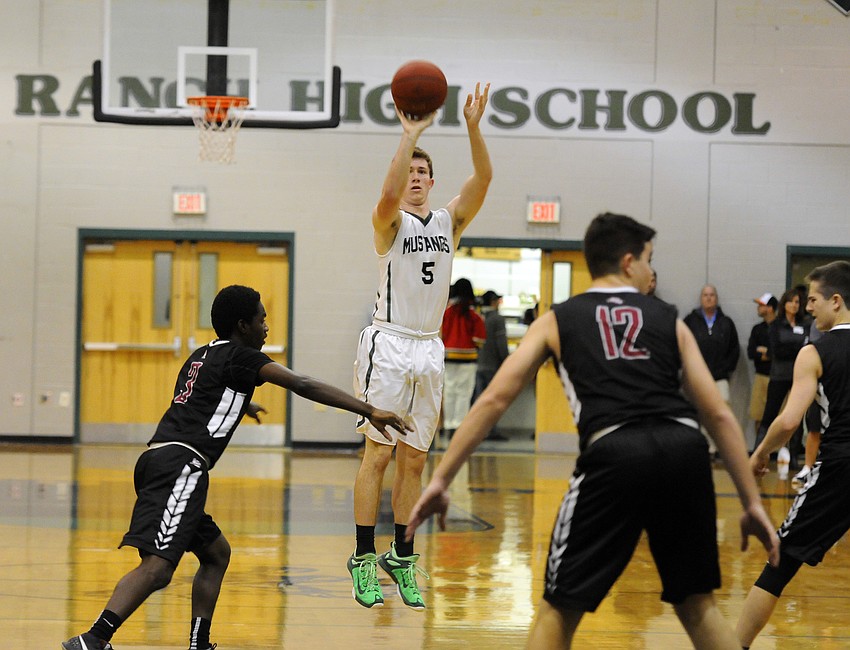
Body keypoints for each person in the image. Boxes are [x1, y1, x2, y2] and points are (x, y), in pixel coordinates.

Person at [407, 212, 779, 649]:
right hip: (684, 447)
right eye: (648, 260)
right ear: (627, 263)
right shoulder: (669, 318)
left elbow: (493, 399)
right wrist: (751, 501)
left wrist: (441, 478)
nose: (650, 271)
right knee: (699, 606)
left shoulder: (558, 318)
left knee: (558, 608)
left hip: (615, 451)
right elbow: (716, 412)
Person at [62, 285, 408, 650]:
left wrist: (245, 406)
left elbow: (201, 398)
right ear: (243, 326)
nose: (267, 327)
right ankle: (93, 639)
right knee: (159, 567)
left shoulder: (200, 355)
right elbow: (302, 384)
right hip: (181, 466)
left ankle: (199, 643)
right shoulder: (242, 357)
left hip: (159, 460)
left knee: (216, 554)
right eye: (262, 319)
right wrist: (369, 410)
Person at [349, 82, 492, 610]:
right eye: (408, 170)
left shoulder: (448, 222)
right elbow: (386, 197)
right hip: (388, 344)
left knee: (415, 462)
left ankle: (401, 556)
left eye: (421, 172)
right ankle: (364, 557)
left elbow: (484, 179)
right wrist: (408, 136)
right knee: (378, 454)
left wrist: (474, 128)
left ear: (432, 181)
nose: (414, 178)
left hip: (428, 350)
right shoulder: (389, 223)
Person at [737, 261, 850, 649]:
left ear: (836, 301)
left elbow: (788, 421)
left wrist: (761, 453)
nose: (808, 308)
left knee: (779, 560)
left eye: (814, 300)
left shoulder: (815, 352)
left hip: (841, 467)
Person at [753, 288, 810, 467]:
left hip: (799, 377)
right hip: (779, 375)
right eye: (791, 301)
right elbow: (776, 351)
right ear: (784, 304)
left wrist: (794, 349)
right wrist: (797, 348)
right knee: (770, 414)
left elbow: (808, 348)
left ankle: (793, 456)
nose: (794, 305)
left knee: (797, 417)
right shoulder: (776, 324)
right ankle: (759, 453)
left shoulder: (805, 323)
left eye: (797, 302)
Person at [441, 278, 486, 438]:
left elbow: (441, 334)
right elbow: (479, 339)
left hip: (448, 357)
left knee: (449, 391)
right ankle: (459, 426)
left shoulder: (447, 312)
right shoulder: (474, 315)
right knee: (464, 393)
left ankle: (448, 425)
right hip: (468, 360)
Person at [683, 284, 741, 403]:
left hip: (720, 377)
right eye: (705, 295)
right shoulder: (690, 320)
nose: (708, 298)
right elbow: (681, 345)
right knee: (697, 411)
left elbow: (734, 349)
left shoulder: (726, 322)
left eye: (712, 295)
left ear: (716, 298)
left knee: (723, 407)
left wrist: (725, 368)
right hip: (696, 377)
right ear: (701, 299)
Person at [473, 289, 510, 440]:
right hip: (492, 365)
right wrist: (507, 361)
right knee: (493, 400)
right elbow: (501, 344)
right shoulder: (497, 319)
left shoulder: (477, 316)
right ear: (494, 302)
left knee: (479, 400)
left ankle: (478, 431)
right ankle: (491, 431)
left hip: (477, 363)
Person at [747, 292, 778, 447]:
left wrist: (764, 351)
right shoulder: (757, 329)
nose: (758, 308)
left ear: (770, 308)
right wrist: (767, 353)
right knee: (758, 415)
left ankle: (777, 451)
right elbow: (751, 353)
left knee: (778, 417)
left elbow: (780, 352)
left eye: (761, 305)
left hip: (777, 378)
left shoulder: (780, 327)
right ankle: (759, 449)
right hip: (761, 376)